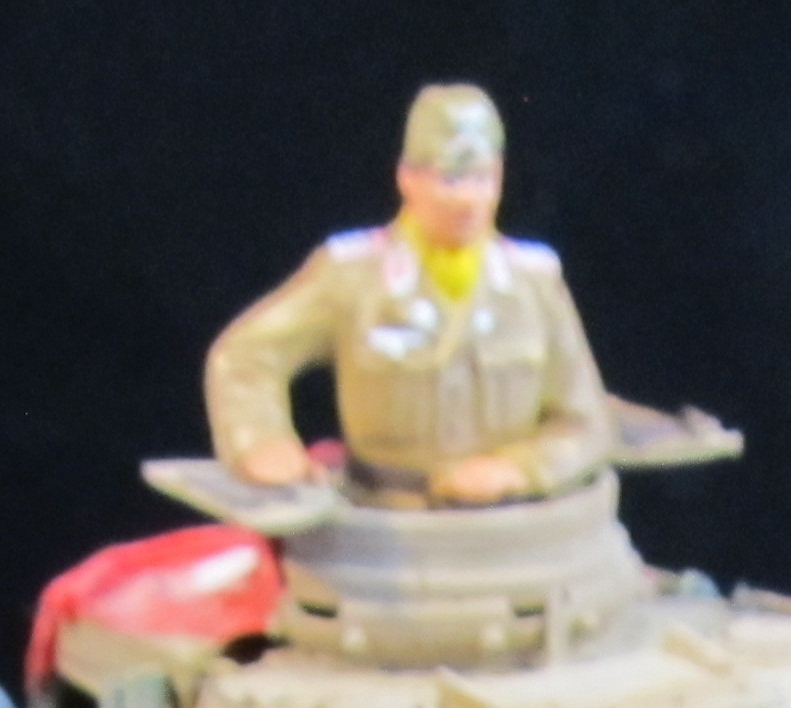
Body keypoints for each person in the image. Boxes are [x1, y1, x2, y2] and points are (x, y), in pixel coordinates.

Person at [205, 84, 613, 510]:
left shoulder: (534, 283)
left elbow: (586, 423)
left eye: (482, 179)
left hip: (511, 528)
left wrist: (520, 468)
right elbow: (245, 356)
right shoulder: (352, 275)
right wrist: (262, 443)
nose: (468, 199)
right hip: (380, 520)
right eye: (450, 179)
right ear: (408, 178)